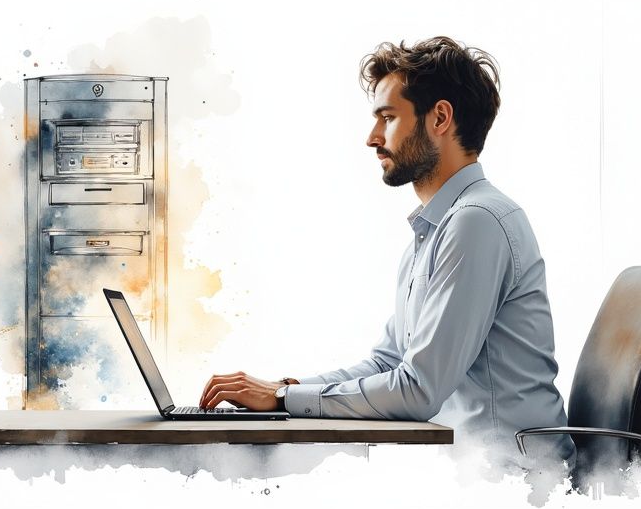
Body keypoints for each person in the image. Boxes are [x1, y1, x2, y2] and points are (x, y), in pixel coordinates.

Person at [199, 36, 574, 466]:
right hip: (467, 474)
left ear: (440, 118)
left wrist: (284, 398)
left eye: (388, 117)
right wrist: (285, 388)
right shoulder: (438, 229)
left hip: (512, 483)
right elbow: (388, 361)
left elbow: (418, 391)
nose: (372, 137)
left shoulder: (477, 223)